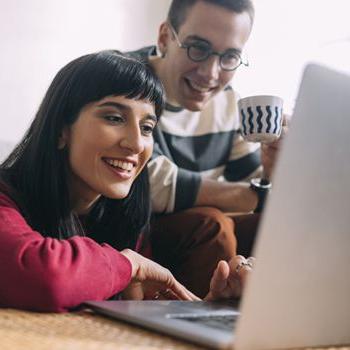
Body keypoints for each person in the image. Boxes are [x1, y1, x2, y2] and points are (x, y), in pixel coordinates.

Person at [0, 50, 253, 312]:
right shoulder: (5, 198)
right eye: (114, 118)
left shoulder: (123, 214)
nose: (135, 144)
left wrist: (208, 311)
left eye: (146, 128)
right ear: (61, 130)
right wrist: (130, 264)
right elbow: (46, 281)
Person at [128, 0, 285, 297]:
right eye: (197, 48)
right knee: (212, 225)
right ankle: (199, 323)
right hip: (135, 229)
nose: (211, 73)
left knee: (272, 226)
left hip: (194, 237)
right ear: (164, 37)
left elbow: (256, 194)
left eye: (230, 57)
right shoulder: (129, 80)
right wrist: (256, 194)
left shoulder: (229, 103)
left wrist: (271, 171)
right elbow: (153, 186)